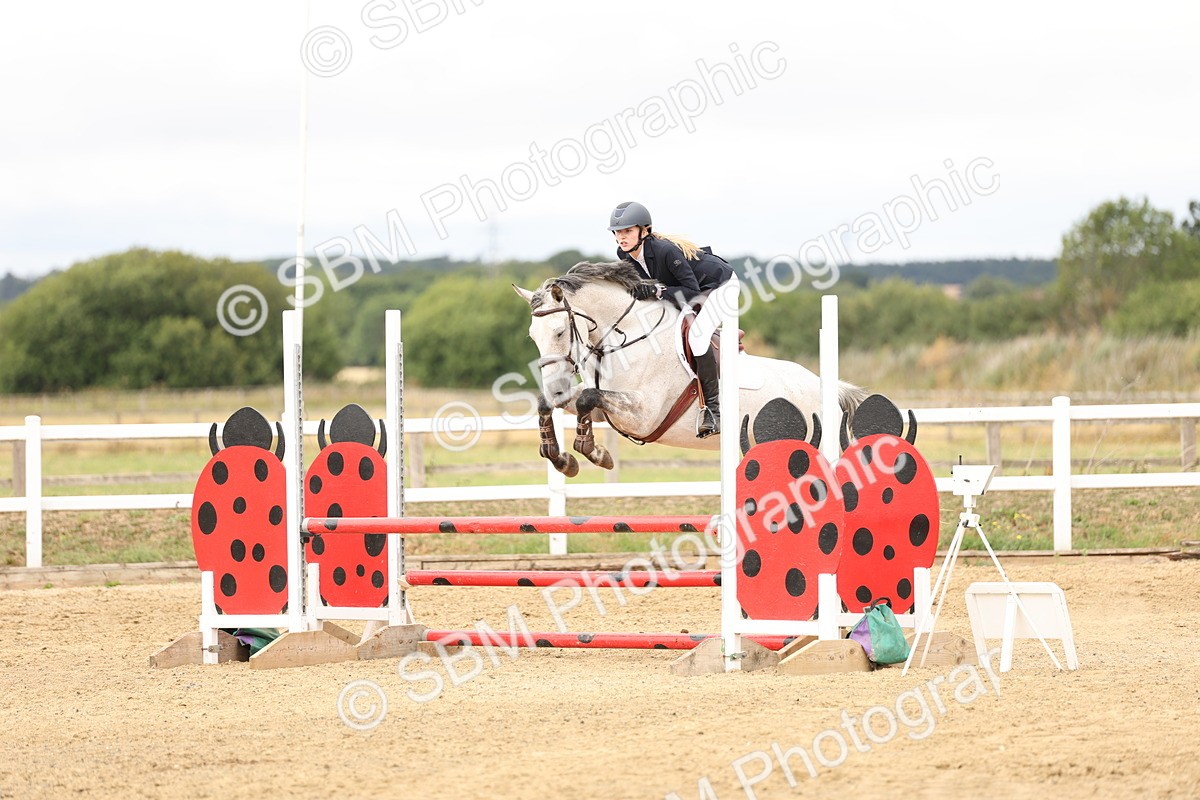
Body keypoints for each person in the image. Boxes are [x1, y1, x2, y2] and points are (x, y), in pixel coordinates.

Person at [607, 201, 736, 438]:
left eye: (627, 231)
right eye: (618, 232)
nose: (621, 237)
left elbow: (692, 291)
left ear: (644, 231)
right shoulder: (623, 254)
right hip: (688, 292)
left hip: (720, 286)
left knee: (697, 338)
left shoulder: (666, 251)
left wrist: (656, 291)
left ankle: (714, 411)